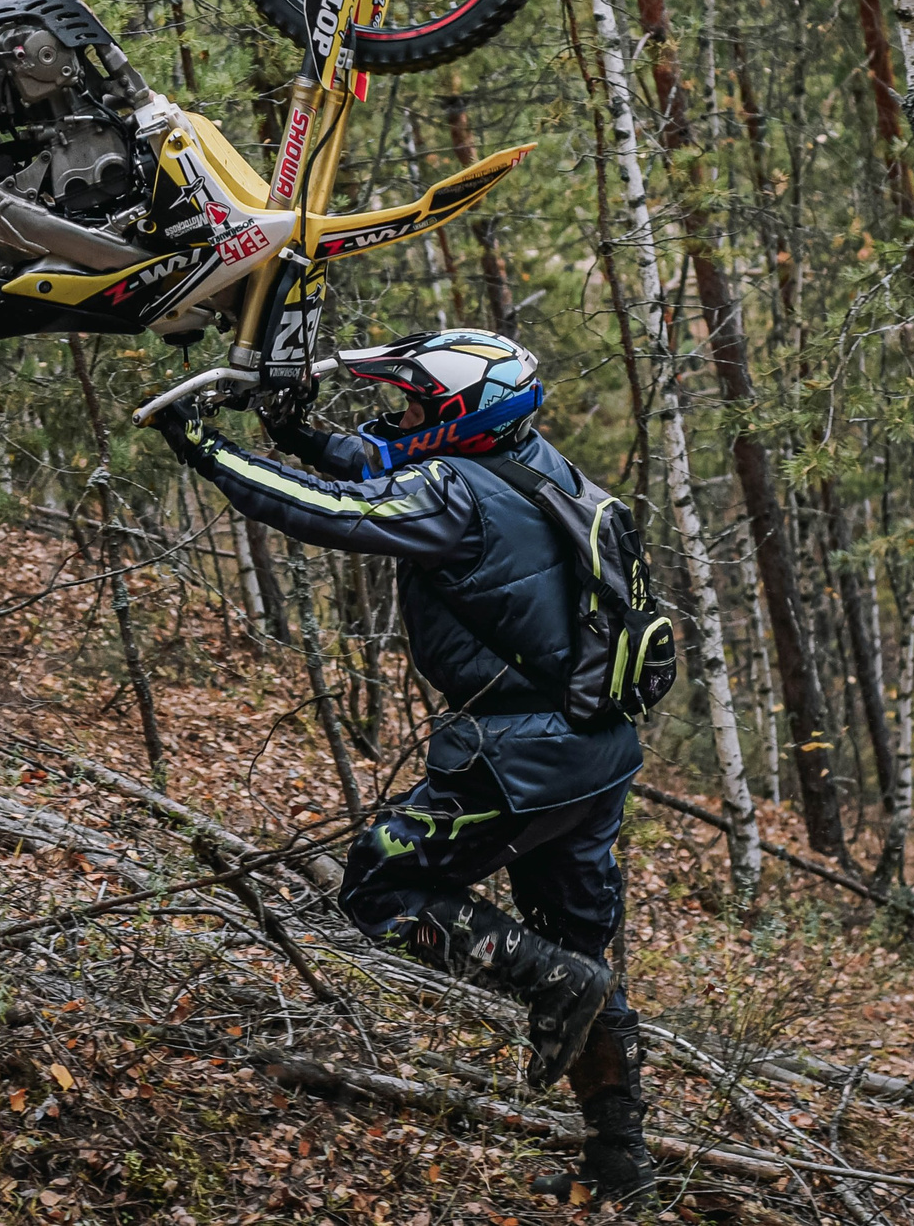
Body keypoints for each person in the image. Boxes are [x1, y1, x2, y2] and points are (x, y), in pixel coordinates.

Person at [146, 329, 657, 1207]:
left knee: (380, 889)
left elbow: (332, 509)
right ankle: (622, 1162)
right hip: (595, 749)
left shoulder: (452, 489)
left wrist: (208, 447)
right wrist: (301, 429)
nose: (404, 416)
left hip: (520, 756)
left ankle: (555, 982)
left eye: (421, 405)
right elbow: (373, 462)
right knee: (583, 939)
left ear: (461, 415)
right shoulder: (538, 466)